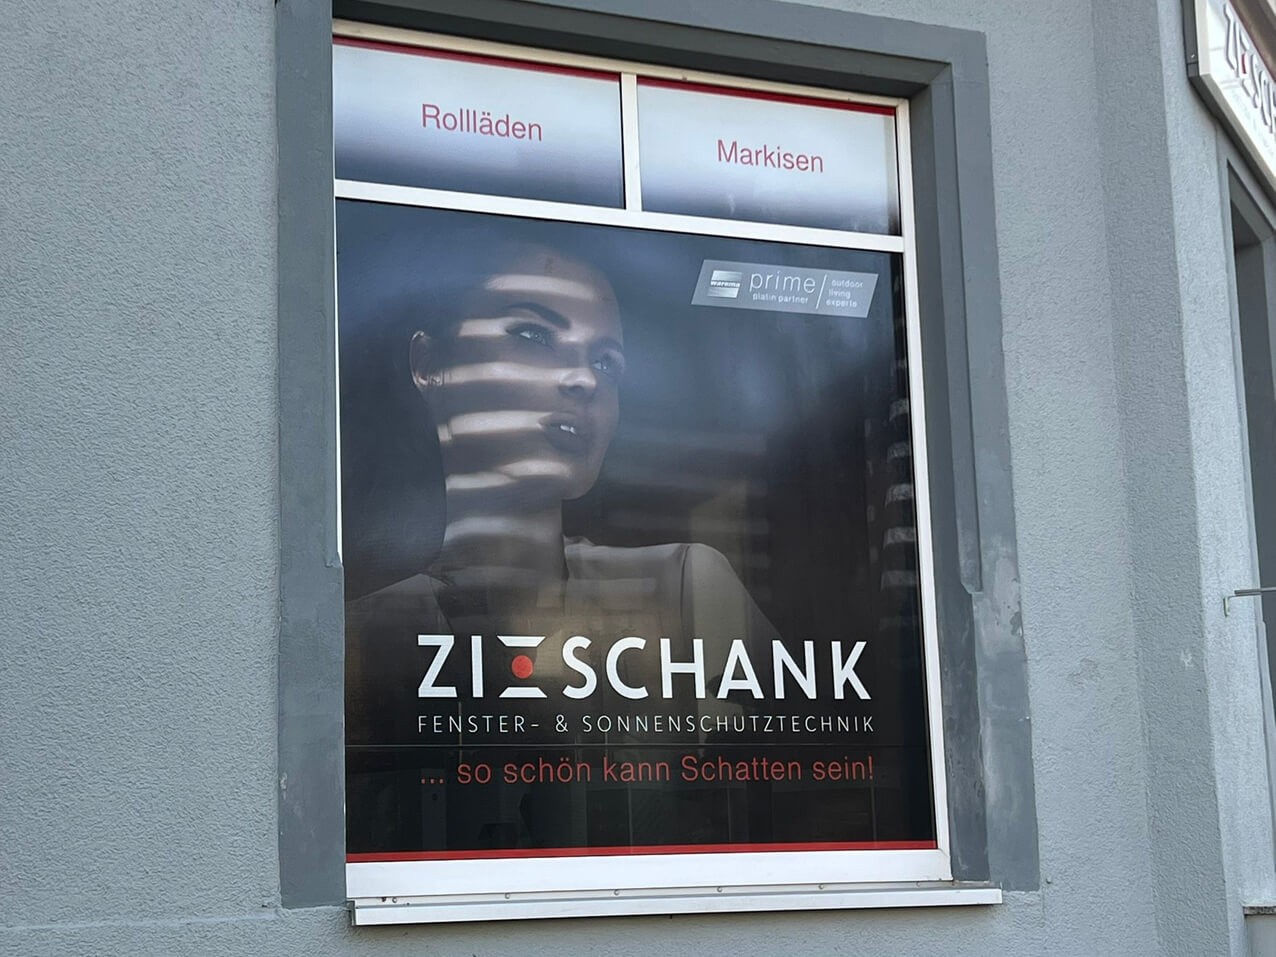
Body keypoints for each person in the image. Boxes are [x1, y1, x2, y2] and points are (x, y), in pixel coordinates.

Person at [344, 238, 777, 851]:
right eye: (533, 335)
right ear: (431, 365)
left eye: (607, 363)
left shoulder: (685, 589)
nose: (582, 379)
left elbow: (809, 801)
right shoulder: (364, 632)